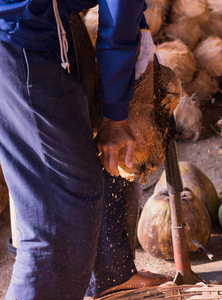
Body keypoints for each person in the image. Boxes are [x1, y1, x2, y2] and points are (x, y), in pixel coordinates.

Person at [0, 1, 171, 299]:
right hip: (21, 35)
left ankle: (110, 274)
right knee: (61, 214)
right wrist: (115, 113)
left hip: (33, 22)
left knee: (76, 184)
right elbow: (119, 12)